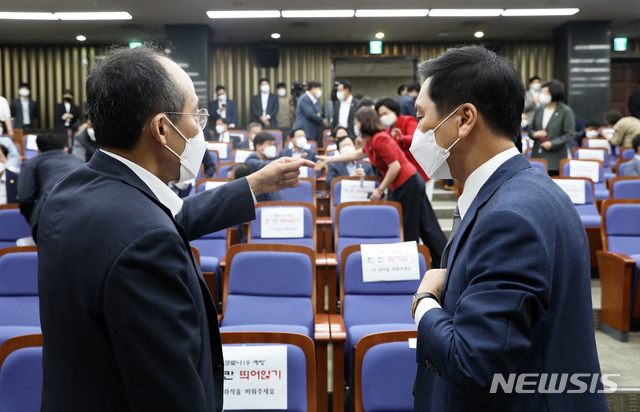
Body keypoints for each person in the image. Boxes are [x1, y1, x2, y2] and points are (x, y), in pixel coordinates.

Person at [37, 46, 314, 412]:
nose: (201, 126)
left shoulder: (71, 192)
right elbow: (169, 393)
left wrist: (255, 183)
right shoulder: (146, 243)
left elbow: (163, 221)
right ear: (163, 129)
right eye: (195, 114)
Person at [409, 45, 607, 412]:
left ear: (464, 119)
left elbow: (474, 367)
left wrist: (424, 305)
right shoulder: (524, 188)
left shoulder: (509, 217)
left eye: (421, 115)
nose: (416, 130)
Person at [316, 107, 446, 267]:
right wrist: (328, 160)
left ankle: (414, 265)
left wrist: (380, 190)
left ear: (364, 123)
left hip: (407, 183)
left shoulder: (380, 139)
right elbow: (356, 154)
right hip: (406, 183)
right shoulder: (372, 140)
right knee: (426, 224)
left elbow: (395, 167)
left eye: (356, 123)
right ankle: (442, 262)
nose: (355, 127)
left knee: (410, 227)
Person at [17, 132, 82, 238]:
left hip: (48, 216)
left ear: (37, 150)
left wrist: (33, 218)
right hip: (82, 213)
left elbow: (24, 198)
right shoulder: (79, 161)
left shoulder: (31, 163)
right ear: (65, 148)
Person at [375, 96, 434, 200]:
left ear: (394, 111)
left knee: (423, 205)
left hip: (421, 170)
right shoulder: (387, 132)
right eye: (380, 115)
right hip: (406, 177)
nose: (383, 117)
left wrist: (402, 138)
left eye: (386, 113)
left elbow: (416, 138)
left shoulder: (408, 120)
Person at [528, 80, 575, 175]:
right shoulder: (539, 109)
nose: (542, 95)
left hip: (555, 158)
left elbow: (569, 133)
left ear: (554, 93)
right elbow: (530, 129)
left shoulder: (565, 111)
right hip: (537, 156)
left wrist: (553, 144)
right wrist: (534, 134)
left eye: (545, 92)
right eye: (542, 92)